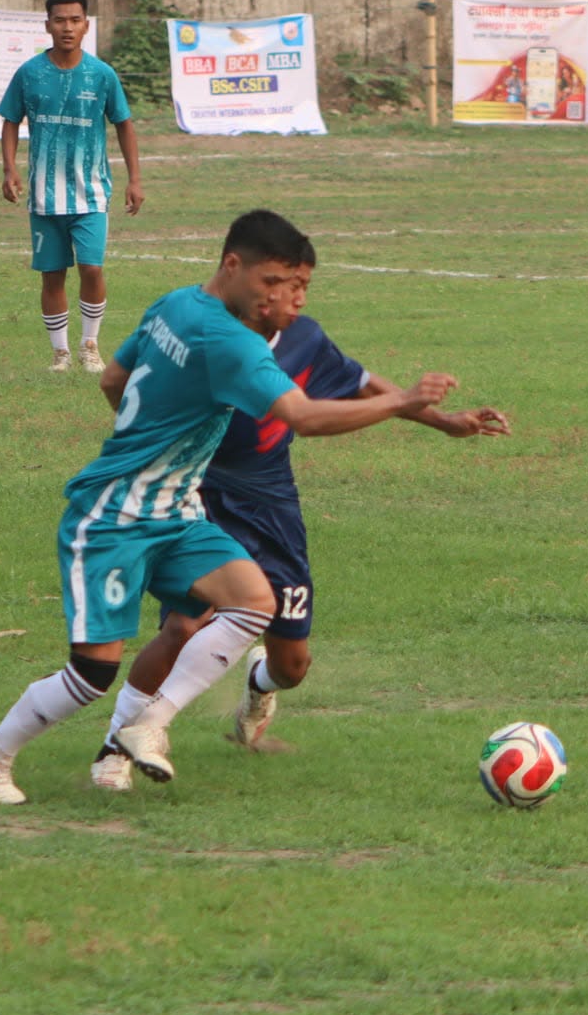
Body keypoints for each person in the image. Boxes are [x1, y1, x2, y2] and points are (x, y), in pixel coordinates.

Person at [0, 211, 456, 804]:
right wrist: (403, 401)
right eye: (270, 282)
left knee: (253, 601)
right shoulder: (232, 344)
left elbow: (112, 379)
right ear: (232, 266)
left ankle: (148, 723)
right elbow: (303, 417)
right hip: (115, 516)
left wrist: (155, 439)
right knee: (92, 674)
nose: (279, 297)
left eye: (291, 285)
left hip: (177, 514)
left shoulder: (174, 303)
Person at [87, 249, 511, 791]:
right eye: (285, 283)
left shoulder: (305, 341)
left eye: (301, 284)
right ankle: (115, 748)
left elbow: (360, 382)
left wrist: (445, 421)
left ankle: (258, 684)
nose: (295, 296)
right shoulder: (209, 338)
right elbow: (126, 384)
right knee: (183, 625)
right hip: (201, 493)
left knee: (291, 666)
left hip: (271, 506)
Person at [0, 0, 143, 374]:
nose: (67, 27)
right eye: (60, 20)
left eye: (75, 20)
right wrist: (9, 168)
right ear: (47, 25)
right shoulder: (29, 73)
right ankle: (60, 352)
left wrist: (135, 179)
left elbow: (124, 124)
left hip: (91, 193)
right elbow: (10, 120)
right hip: (44, 196)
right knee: (52, 275)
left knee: (91, 268)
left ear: (86, 25)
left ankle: (89, 345)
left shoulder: (101, 74)